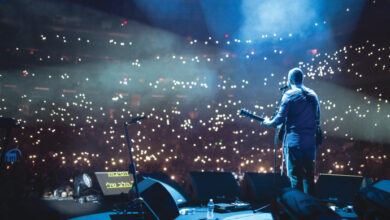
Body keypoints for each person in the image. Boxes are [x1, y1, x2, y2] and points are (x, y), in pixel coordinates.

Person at [262, 68, 320, 195]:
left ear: (290, 80)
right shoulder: (313, 94)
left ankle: (297, 208)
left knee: (295, 178)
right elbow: (318, 119)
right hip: (310, 143)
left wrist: (268, 122)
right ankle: (310, 209)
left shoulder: (289, 94)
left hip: (294, 143)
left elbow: (279, 119)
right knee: (308, 178)